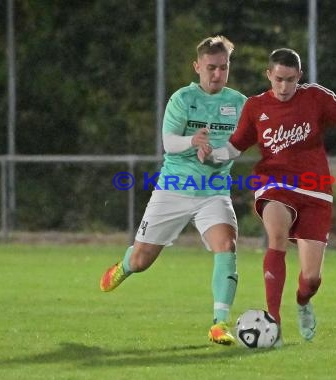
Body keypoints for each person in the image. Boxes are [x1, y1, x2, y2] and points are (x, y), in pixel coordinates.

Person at [199, 48, 336, 346]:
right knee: (277, 238)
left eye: (290, 80)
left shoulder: (316, 97)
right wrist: (213, 153)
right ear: (269, 75)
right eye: (278, 79)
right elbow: (236, 146)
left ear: (299, 77)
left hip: (315, 191)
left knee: (311, 278)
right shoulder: (255, 106)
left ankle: (303, 303)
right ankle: (274, 324)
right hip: (274, 182)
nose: (284, 86)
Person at [100, 35, 247, 346]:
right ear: (197, 67)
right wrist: (193, 142)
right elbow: (169, 143)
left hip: (213, 191)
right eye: (211, 68)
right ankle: (125, 264)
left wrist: (219, 154)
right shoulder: (182, 99)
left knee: (227, 245)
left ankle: (220, 322)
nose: (217, 74)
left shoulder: (239, 104)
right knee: (142, 262)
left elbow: (240, 146)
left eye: (223, 68)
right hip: (173, 189)